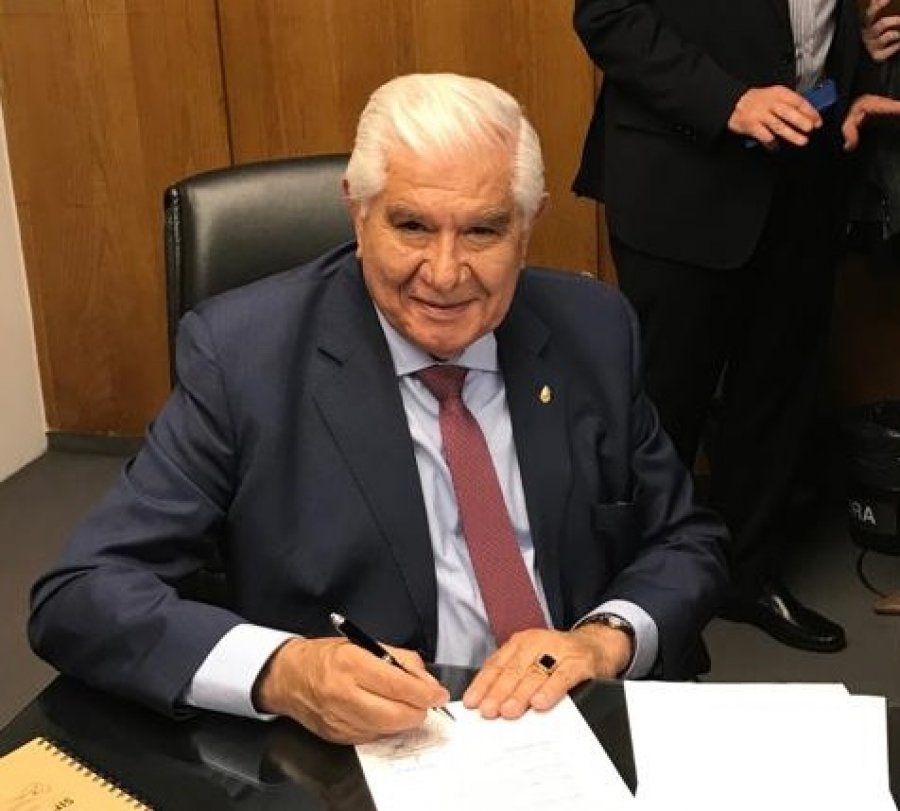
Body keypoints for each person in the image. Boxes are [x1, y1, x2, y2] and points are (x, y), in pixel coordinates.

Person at [29, 73, 728, 745]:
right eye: (412, 226)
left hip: (571, 726)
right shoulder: (243, 358)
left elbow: (684, 541)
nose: (445, 273)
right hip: (366, 751)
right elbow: (83, 593)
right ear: (357, 213)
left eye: (482, 231)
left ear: (528, 224)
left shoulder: (594, 327)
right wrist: (283, 671)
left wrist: (605, 639)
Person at [572, 0, 871, 653]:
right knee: (662, 402)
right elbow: (606, 16)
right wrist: (728, 101)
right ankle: (636, 604)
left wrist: (859, 80)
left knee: (777, 392)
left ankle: (745, 575)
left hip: (808, 177)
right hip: (682, 173)